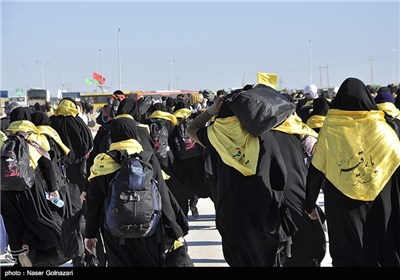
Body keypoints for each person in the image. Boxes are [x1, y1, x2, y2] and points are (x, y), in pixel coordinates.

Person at [187, 95, 296, 266]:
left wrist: (210, 111)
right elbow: (280, 173)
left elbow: (191, 129)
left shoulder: (213, 136)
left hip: (230, 210)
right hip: (263, 208)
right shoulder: (262, 136)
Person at [305, 77, 400, 266]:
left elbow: (316, 169)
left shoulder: (330, 130)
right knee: (379, 248)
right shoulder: (383, 129)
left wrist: (309, 204)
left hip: (342, 206)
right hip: (380, 203)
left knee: (346, 252)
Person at [84, 117, 187, 266]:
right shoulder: (148, 159)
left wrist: (90, 234)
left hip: (115, 233)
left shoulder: (102, 161)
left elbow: (94, 203)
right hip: (149, 229)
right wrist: (175, 231)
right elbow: (163, 197)